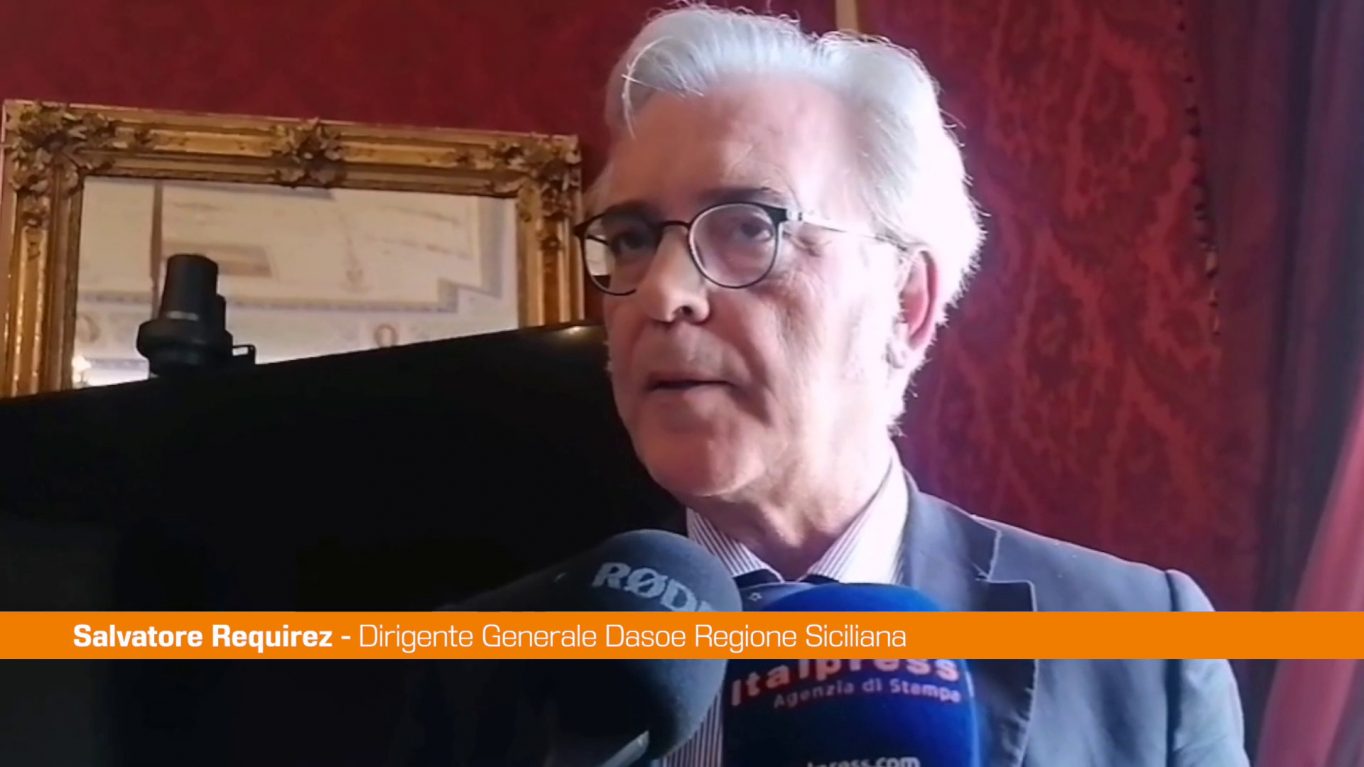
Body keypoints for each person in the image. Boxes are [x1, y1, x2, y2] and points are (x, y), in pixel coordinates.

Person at [388, 5, 1250, 765]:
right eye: (632, 238)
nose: (661, 292)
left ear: (906, 303)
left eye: (747, 228)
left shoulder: (1144, 649)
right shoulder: (475, 663)